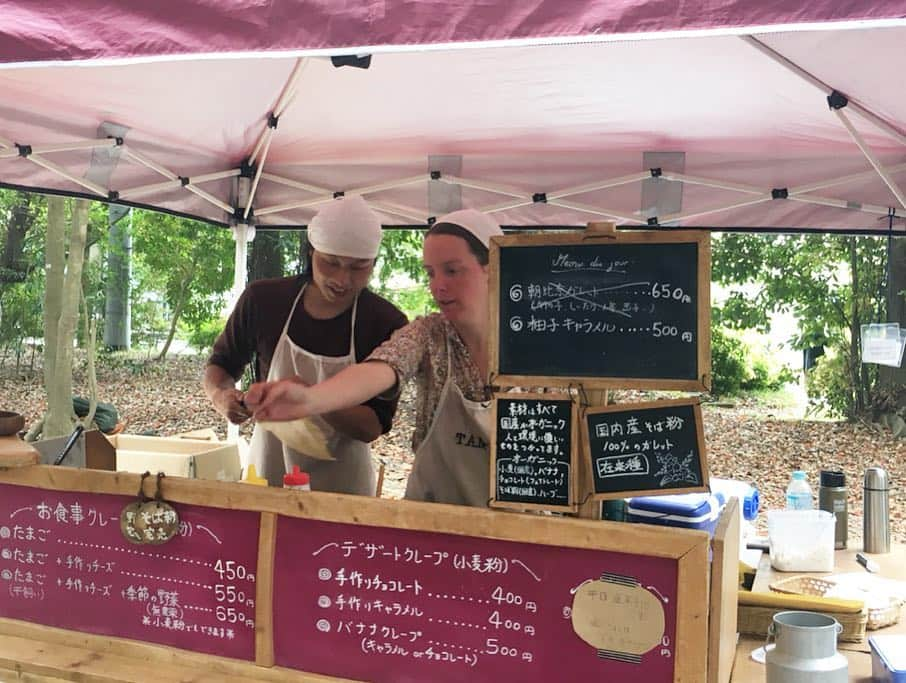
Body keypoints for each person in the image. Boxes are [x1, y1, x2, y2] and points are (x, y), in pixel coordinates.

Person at [245, 209, 503, 507]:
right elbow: (382, 367)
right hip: (434, 519)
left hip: (524, 527)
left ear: (491, 268)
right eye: (431, 273)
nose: (438, 286)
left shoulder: (537, 346)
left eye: (452, 270)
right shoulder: (429, 334)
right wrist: (309, 400)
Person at [204, 195, 408, 492]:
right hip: (269, 470)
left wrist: (311, 399)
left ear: (374, 263)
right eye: (330, 262)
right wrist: (221, 397)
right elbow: (222, 364)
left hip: (342, 485)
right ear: (311, 251)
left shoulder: (384, 321)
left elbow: (370, 426)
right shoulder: (264, 301)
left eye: (358, 267)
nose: (342, 279)